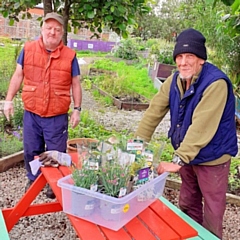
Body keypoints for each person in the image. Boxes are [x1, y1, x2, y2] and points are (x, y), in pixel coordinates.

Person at [134, 28, 238, 239]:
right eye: (179, 56)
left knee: (212, 211)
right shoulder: (175, 80)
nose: (183, 62)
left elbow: (201, 127)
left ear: (201, 59)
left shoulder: (216, 83)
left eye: (189, 56)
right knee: (187, 203)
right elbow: (154, 111)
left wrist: (178, 159)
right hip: (188, 154)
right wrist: (137, 144)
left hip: (213, 158)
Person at [3, 12, 82, 198]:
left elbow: (76, 83)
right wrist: (8, 100)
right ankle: (33, 178)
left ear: (62, 33)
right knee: (31, 149)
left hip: (56, 115)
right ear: (42, 29)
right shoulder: (28, 49)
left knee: (55, 152)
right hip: (32, 113)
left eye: (57, 29)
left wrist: (77, 110)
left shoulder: (70, 56)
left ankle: (51, 183)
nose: (52, 32)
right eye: (49, 28)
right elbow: (18, 75)